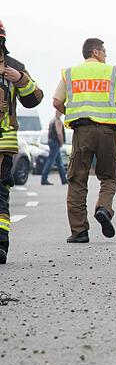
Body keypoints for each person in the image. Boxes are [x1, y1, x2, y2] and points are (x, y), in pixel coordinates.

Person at [53, 37, 116, 244]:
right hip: (108, 132)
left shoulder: (71, 73)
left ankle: (79, 231)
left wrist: (73, 113)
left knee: (77, 180)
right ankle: (103, 209)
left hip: (82, 132)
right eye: (105, 52)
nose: (106, 56)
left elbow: (56, 102)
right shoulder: (112, 72)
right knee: (110, 176)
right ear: (97, 52)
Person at [0, 20, 44, 264]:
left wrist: (20, 80)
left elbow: (34, 99)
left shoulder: (14, 67)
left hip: (3, 144)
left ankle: (0, 245)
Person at [40, 110, 67, 185]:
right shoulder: (58, 121)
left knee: (59, 162)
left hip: (52, 142)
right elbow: (59, 133)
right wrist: (61, 142)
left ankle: (64, 179)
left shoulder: (52, 120)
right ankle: (44, 178)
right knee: (51, 161)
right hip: (55, 142)